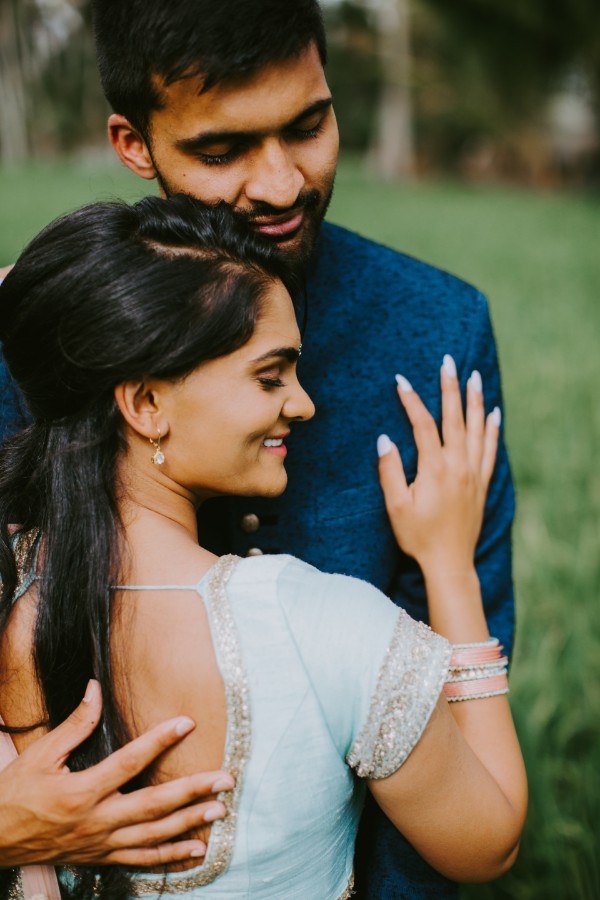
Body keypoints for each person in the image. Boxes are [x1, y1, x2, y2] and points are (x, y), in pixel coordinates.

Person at [0, 1, 516, 895]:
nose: (281, 184)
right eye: (222, 149)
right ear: (133, 142)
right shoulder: (41, 331)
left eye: (309, 125)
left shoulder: (436, 330)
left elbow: (449, 712)